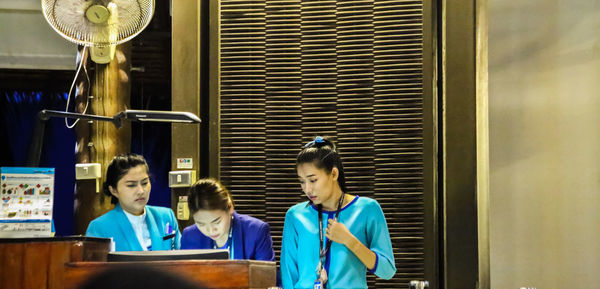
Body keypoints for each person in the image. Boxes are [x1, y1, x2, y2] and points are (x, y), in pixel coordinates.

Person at [281, 136, 396, 289]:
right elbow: (288, 278)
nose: (307, 189)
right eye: (302, 181)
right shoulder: (295, 216)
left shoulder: (368, 209)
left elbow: (387, 270)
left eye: (313, 180)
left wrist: (350, 241)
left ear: (334, 174)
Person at [86, 153, 181, 251]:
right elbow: (94, 265)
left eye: (144, 183)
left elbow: (181, 260)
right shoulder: (100, 227)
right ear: (114, 190)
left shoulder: (165, 216)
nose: (141, 191)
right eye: (131, 185)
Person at [180, 178, 275, 262]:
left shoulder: (255, 231)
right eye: (201, 224)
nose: (211, 230)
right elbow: (183, 279)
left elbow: (267, 278)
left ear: (230, 208)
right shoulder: (189, 236)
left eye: (216, 222)